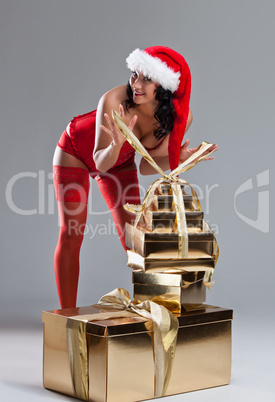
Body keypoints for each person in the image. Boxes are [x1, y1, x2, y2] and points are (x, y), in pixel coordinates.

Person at [52, 46, 217, 308]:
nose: (136, 85)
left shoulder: (178, 118)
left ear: (162, 86)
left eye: (146, 79)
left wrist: (180, 159)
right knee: (72, 233)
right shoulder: (113, 99)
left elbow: (146, 167)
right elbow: (100, 162)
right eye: (134, 75)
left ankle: (160, 312)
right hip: (76, 152)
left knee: (135, 241)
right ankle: (66, 315)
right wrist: (115, 146)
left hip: (120, 163)